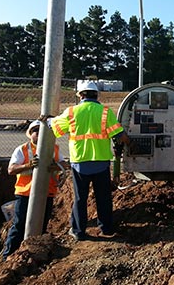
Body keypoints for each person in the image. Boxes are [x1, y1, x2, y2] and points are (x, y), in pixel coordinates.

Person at [45, 81, 130, 241]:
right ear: (96, 95)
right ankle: (106, 228)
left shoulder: (71, 112)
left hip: (80, 163)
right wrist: (131, 143)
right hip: (101, 162)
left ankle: (78, 232)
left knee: (80, 199)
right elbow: (120, 135)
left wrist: (48, 120)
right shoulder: (105, 112)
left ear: (81, 95)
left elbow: (56, 127)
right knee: (103, 198)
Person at [3, 120, 67, 261]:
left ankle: (35, 256)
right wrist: (28, 165)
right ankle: (8, 256)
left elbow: (64, 164)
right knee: (19, 225)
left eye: (42, 131)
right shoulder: (23, 149)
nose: (39, 134)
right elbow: (11, 169)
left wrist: (55, 166)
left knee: (41, 226)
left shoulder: (54, 149)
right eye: (36, 131)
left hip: (47, 193)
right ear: (30, 134)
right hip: (25, 194)